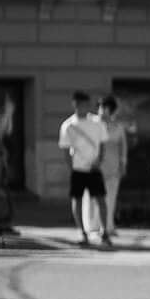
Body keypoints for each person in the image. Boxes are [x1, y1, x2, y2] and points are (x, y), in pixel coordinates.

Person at [56, 92, 107, 249]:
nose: (83, 107)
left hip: (94, 168)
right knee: (76, 199)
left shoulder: (97, 122)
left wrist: (99, 160)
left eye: (86, 104)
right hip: (78, 168)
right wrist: (71, 166)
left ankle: (104, 231)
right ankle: (82, 231)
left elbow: (103, 143)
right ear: (75, 105)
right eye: (80, 104)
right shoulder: (69, 125)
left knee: (100, 198)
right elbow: (65, 148)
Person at [95, 95, 128, 247]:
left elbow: (123, 148)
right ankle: (94, 226)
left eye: (106, 108)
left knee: (111, 197)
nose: (102, 111)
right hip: (95, 166)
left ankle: (108, 226)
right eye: (101, 107)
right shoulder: (93, 125)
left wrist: (123, 164)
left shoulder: (118, 127)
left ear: (112, 110)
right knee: (94, 198)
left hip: (113, 166)